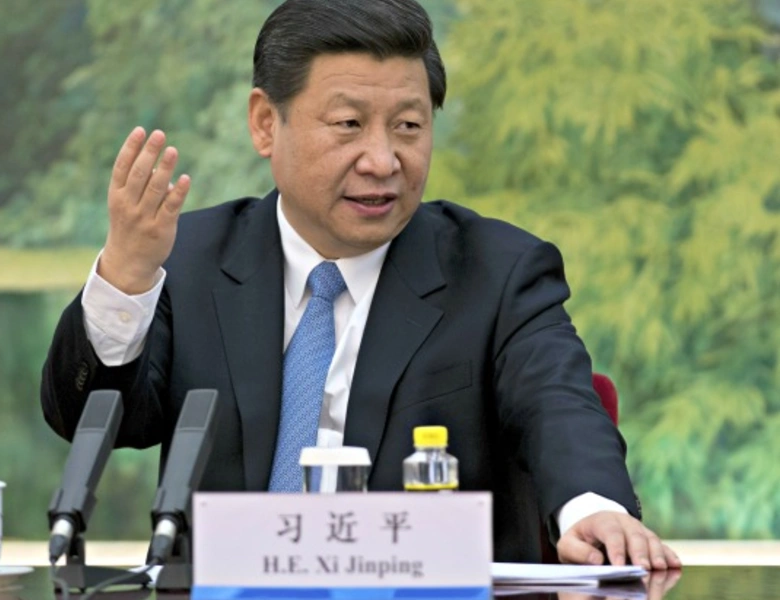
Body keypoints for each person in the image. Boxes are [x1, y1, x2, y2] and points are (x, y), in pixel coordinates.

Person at [41, 0, 681, 569]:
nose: (383, 160)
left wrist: (593, 509)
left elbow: (559, 403)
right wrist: (126, 276)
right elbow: (94, 418)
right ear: (266, 123)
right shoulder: (190, 259)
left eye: (408, 126)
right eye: (348, 125)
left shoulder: (498, 270)